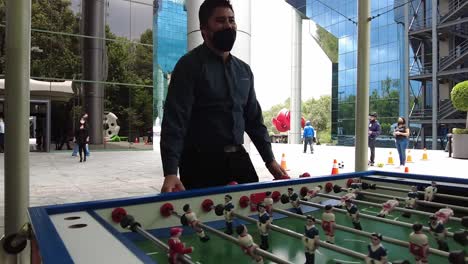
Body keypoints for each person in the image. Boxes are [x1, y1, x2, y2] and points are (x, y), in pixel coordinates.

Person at [160, 0, 287, 192]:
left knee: (256, 209)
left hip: (238, 158)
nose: (228, 26)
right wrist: (170, 173)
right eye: (220, 21)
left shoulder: (244, 71)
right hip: (199, 163)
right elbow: (175, 121)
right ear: (204, 30)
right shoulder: (189, 66)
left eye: (231, 20)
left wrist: (270, 162)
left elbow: (254, 121)